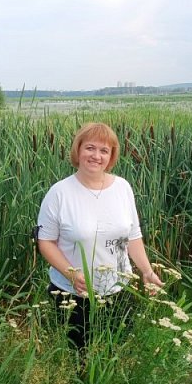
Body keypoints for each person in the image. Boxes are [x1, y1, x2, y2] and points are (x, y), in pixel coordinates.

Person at [37, 122, 163, 348]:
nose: (96, 156)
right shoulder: (60, 193)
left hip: (118, 290)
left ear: (111, 156)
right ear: (78, 150)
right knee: (78, 359)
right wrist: (71, 274)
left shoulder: (122, 188)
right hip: (73, 296)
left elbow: (132, 236)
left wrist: (146, 271)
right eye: (90, 148)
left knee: (114, 353)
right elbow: (45, 241)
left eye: (104, 151)